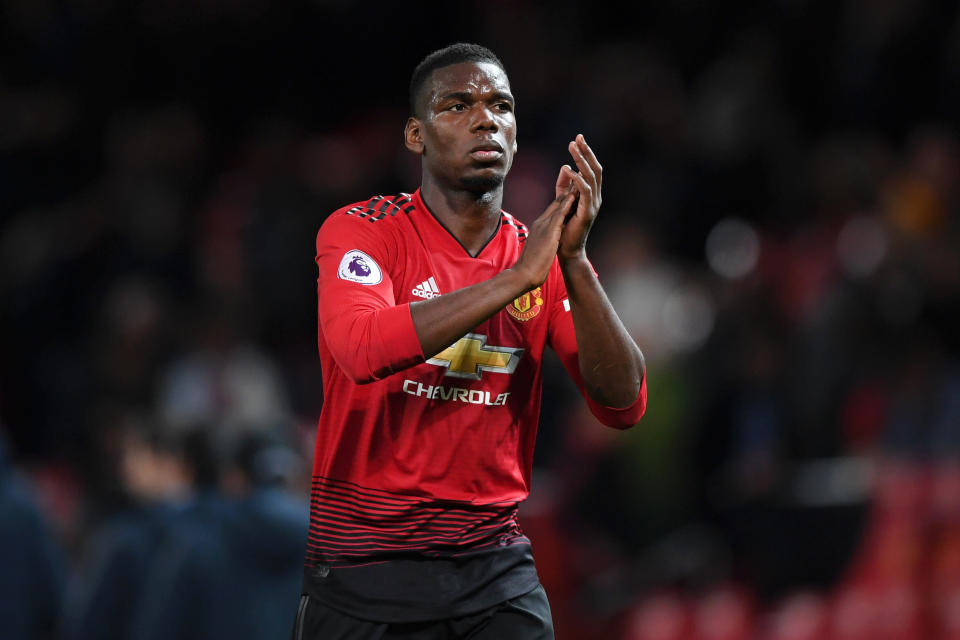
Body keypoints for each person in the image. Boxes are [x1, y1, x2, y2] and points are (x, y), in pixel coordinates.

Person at [296, 42, 647, 639]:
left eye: (500, 105)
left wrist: (576, 263)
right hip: (363, 576)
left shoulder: (541, 256)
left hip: (492, 574)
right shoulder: (363, 231)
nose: (485, 118)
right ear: (416, 135)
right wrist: (514, 280)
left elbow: (622, 407)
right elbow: (360, 349)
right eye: (456, 105)